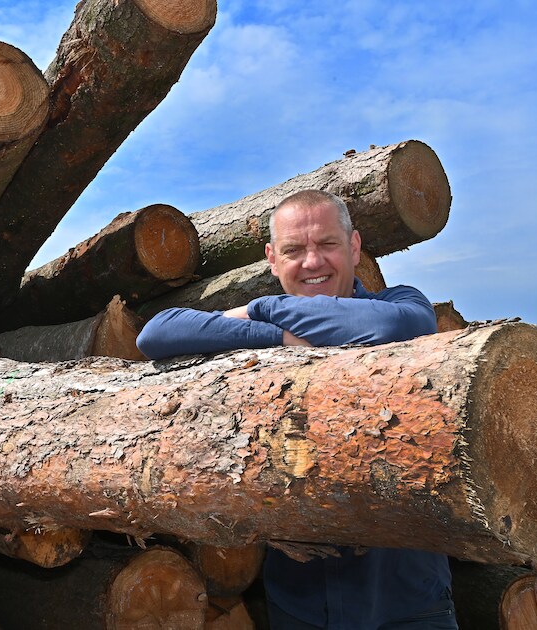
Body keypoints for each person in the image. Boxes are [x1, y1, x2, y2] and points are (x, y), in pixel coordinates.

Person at [136, 189, 456, 630]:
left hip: (407, 604)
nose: (312, 263)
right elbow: (156, 333)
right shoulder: (267, 333)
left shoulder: (398, 303)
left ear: (355, 247)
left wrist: (260, 308)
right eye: (294, 250)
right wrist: (276, 339)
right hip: (302, 603)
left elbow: (392, 327)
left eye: (327, 245)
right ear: (271, 258)